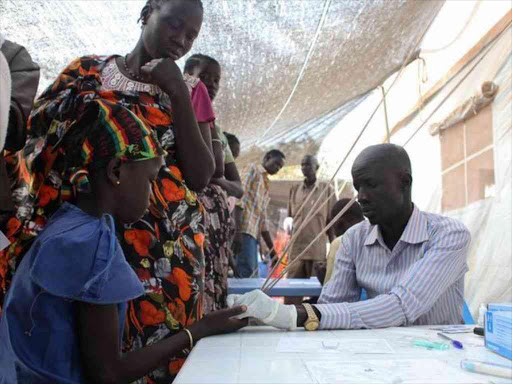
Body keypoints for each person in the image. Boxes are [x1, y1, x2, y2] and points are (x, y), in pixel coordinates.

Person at [0, 0, 218, 381]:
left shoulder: (188, 90)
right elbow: (33, 139)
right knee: (80, 357)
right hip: (83, 239)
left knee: (157, 356)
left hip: (162, 255)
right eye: (174, 25)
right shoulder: (85, 72)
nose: (181, 41)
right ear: (147, 12)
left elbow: (201, 176)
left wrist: (177, 93)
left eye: (191, 35)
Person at [0, 98, 247, 383]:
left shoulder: (67, 224)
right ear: (116, 171)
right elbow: (108, 374)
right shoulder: (91, 242)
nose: (153, 193)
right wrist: (198, 330)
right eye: (149, 179)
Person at [228, 144, 471, 330]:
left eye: (371, 185)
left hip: (442, 359)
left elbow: (402, 305)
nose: (361, 197)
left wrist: (291, 314)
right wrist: (264, 319)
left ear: (404, 182)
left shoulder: (448, 235)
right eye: (357, 188)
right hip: (383, 355)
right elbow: (330, 307)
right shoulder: (354, 239)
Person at [184, 53, 243, 312]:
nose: (211, 84)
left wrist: (216, 179)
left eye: (216, 80)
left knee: (214, 290)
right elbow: (214, 168)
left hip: (217, 228)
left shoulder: (217, 130)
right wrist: (217, 177)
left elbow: (236, 186)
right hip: (189, 222)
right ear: (187, 77)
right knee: (192, 290)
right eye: (204, 77)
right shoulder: (177, 116)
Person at [285, 154, 336, 304]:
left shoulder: (327, 190)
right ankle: (290, 319)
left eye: (308, 165)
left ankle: (314, 321)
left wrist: (333, 248)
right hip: (296, 250)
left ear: (317, 168)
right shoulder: (294, 190)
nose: (304, 168)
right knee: (291, 292)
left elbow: (332, 222)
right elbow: (290, 218)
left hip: (316, 250)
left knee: (317, 293)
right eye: (302, 165)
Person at [234, 149, 285, 278]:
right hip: (243, 230)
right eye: (276, 164)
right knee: (246, 274)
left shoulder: (266, 183)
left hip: (252, 235)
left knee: (251, 275)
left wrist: (272, 251)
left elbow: (263, 221)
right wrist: (237, 231)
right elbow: (238, 198)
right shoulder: (252, 170)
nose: (277, 168)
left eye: (280, 167)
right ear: (267, 158)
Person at [315, 198, 364, 286]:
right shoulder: (376, 235)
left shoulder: (340, 242)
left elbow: (331, 291)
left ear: (339, 223)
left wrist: (324, 277)